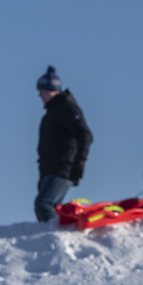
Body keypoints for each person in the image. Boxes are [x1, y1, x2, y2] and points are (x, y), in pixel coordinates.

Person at [35, 66, 93, 222]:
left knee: (43, 205)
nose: (39, 95)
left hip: (62, 168)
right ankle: (55, 232)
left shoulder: (66, 108)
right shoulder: (51, 113)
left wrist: (80, 161)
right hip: (50, 169)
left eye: (42, 90)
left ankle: (55, 233)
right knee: (52, 207)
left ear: (51, 90)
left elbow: (85, 135)